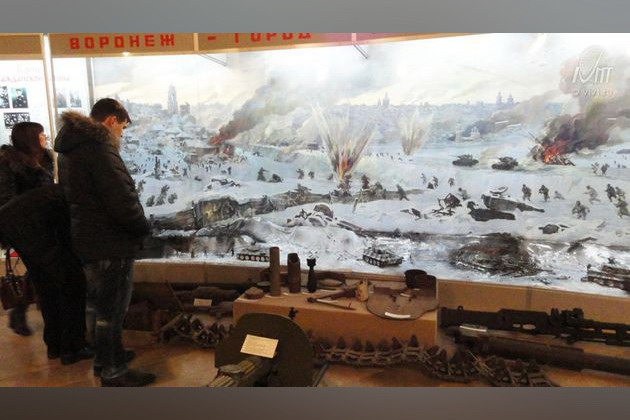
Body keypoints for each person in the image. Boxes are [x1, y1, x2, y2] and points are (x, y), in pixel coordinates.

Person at [54, 99, 154, 387]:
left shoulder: (71, 149)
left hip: (88, 239)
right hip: (111, 242)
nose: (121, 133)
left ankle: (105, 358)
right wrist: (142, 228)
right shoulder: (99, 150)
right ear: (111, 120)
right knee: (112, 309)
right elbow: (121, 200)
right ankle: (113, 371)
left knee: (98, 306)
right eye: (122, 127)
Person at [0, 122, 89, 363]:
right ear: (30, 138)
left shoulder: (45, 159)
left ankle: (58, 344)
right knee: (63, 284)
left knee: (51, 286)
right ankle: (69, 346)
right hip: (31, 233)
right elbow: (9, 205)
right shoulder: (9, 164)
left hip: (50, 229)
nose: (45, 137)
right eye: (41, 134)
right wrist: (46, 198)